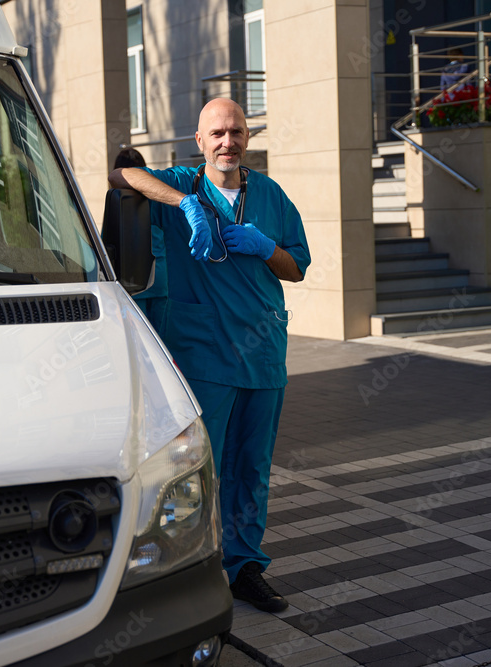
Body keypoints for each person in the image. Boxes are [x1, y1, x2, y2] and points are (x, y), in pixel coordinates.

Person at [108, 98, 310, 613]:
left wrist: (266, 247)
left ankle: (243, 567)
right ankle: (187, 569)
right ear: (199, 141)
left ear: (248, 137)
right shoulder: (182, 184)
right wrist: (186, 205)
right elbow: (122, 175)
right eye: (217, 133)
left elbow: (297, 268)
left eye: (236, 132)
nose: (228, 141)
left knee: (252, 470)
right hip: (204, 360)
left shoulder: (271, 195)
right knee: (196, 473)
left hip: (263, 355)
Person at [112, 147, 169, 335]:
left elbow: (108, 244)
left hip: (132, 283)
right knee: (163, 344)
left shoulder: (118, 201)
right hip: (161, 280)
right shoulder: (158, 196)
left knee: (140, 343)